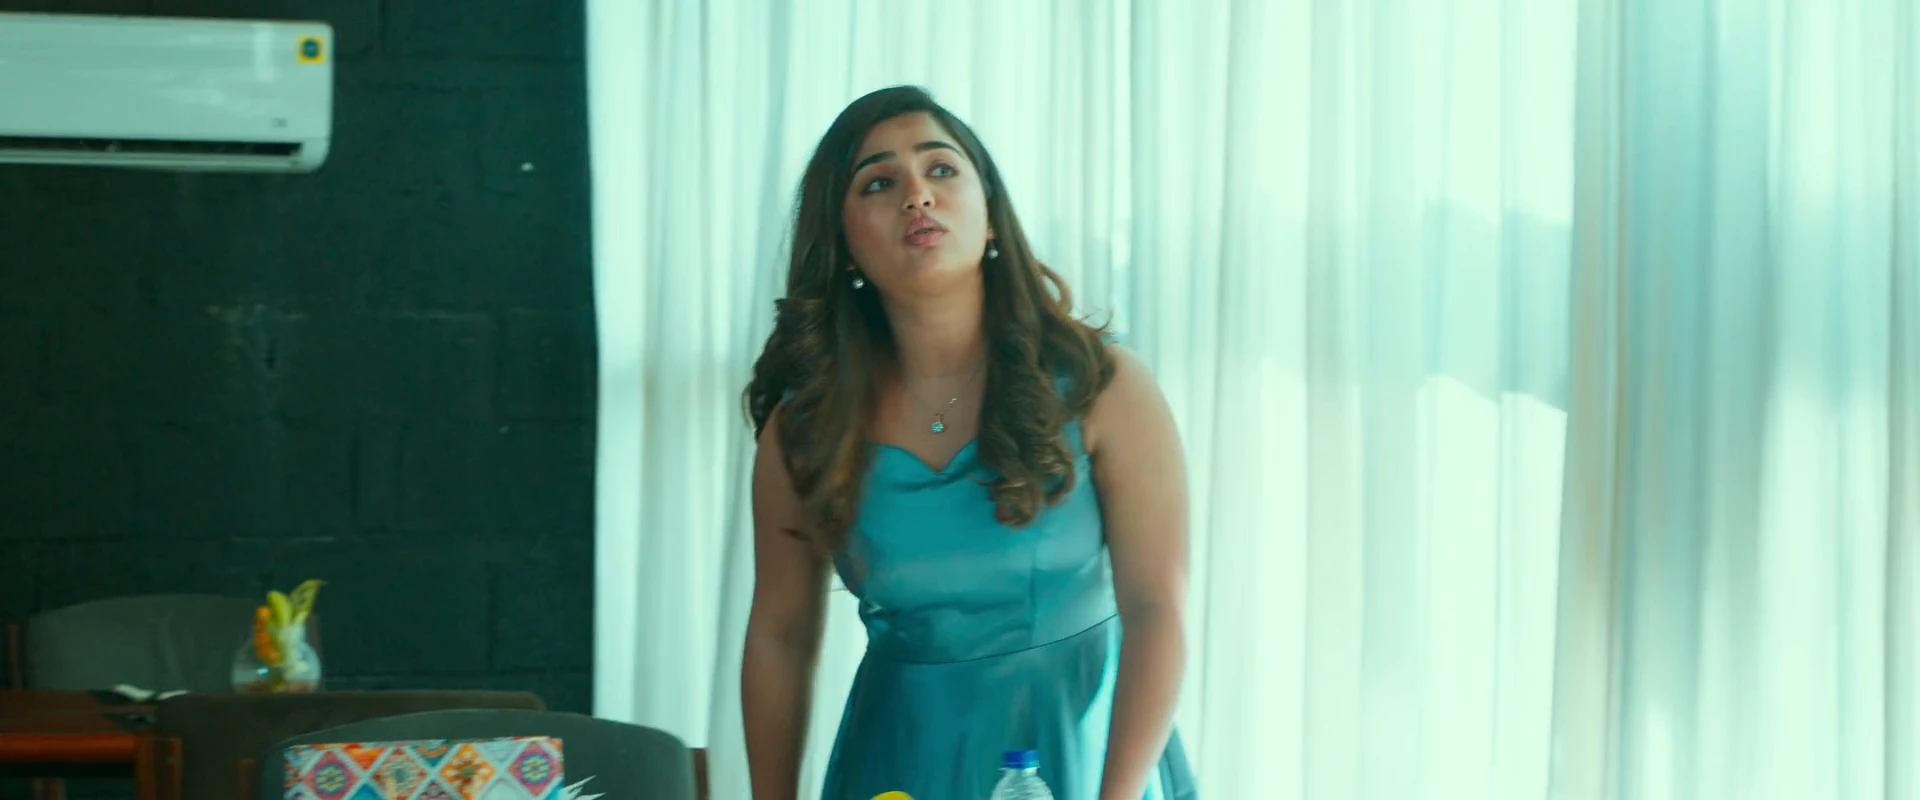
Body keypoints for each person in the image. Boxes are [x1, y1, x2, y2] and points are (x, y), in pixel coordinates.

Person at [740, 85, 1198, 800]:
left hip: (1086, 755)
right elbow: (779, 634)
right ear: (843, 243)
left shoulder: (1104, 385)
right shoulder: (805, 427)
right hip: (899, 761)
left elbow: (1157, 609)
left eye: (941, 169)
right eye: (879, 182)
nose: (917, 196)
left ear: (990, 217)